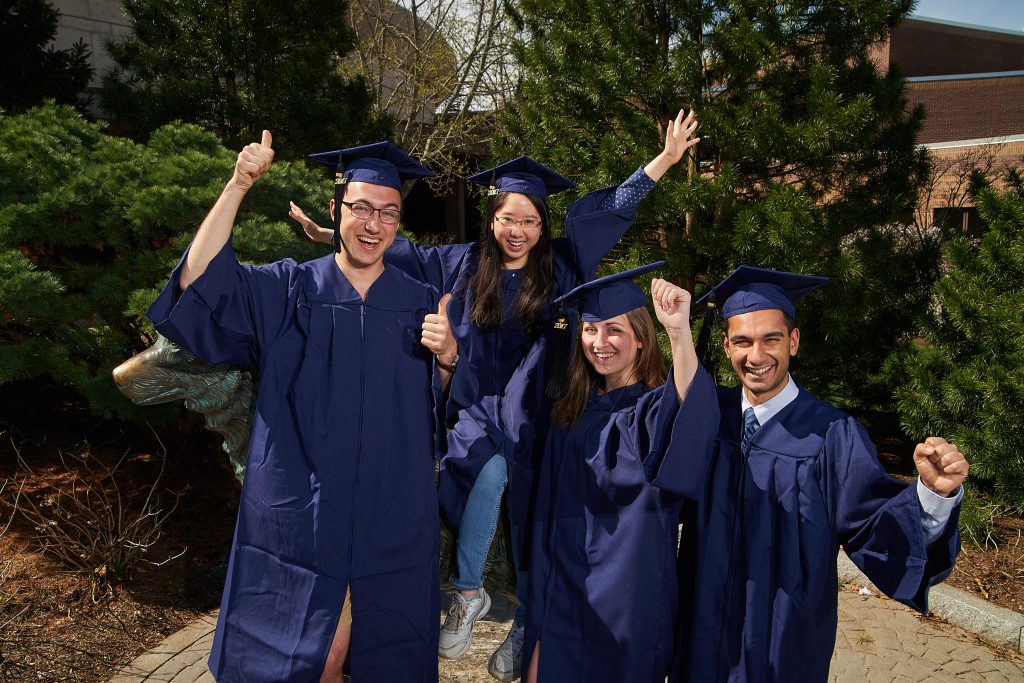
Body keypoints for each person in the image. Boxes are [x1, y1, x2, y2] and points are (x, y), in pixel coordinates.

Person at [291, 110, 701, 680]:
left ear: (541, 225)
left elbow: (609, 213)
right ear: (492, 219)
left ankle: (527, 625)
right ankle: (467, 591)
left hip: (547, 407)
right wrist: (329, 232)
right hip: (478, 406)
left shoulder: (561, 265)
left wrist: (663, 161)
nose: (518, 231)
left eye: (531, 221)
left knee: (544, 510)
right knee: (482, 465)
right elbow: (387, 249)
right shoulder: (462, 264)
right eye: (509, 218)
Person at [147, 133, 456, 682]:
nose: (373, 224)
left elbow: (448, 407)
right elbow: (199, 279)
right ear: (335, 210)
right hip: (302, 508)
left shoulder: (418, 302)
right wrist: (239, 184)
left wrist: (451, 358)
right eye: (361, 208)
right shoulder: (288, 288)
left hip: (392, 511)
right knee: (311, 658)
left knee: (383, 651)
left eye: (388, 213)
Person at [671, 265, 970, 683]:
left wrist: (931, 496)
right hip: (700, 632)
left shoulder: (833, 435)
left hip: (783, 636)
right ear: (725, 347)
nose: (756, 356)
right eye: (743, 341)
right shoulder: (706, 418)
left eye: (771, 339)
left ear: (793, 341)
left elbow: (871, 527)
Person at [515, 262, 719, 682]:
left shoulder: (649, 411)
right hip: (564, 596)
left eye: (614, 330)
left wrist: (679, 332)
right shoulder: (570, 414)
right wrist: (536, 619)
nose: (599, 342)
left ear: (642, 340)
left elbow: (691, 415)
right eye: (590, 329)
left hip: (630, 609)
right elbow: (544, 518)